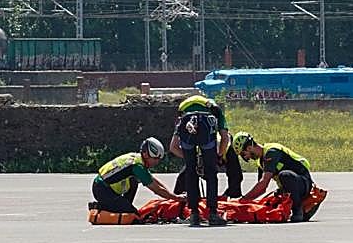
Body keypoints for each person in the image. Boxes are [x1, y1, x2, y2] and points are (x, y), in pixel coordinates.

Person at [169, 94, 231, 227]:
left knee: (190, 173)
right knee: (211, 173)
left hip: (187, 125)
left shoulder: (182, 112)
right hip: (206, 127)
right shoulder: (216, 110)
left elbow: (173, 147)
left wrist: (191, 159)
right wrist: (219, 155)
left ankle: (194, 214)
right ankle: (213, 214)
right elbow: (225, 138)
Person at [233, 132, 315, 223]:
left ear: (249, 148)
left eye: (244, 155)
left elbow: (264, 183)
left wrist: (243, 200)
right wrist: (246, 203)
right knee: (272, 203)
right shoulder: (261, 162)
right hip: (289, 188)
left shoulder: (272, 152)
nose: (246, 158)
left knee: (285, 175)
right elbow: (261, 188)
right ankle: (301, 209)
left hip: (303, 182)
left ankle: (298, 211)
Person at [92, 137, 183, 215]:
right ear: (146, 154)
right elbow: (157, 189)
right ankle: (101, 206)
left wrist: (173, 195)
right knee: (134, 215)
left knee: (133, 181)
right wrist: (176, 198)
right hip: (102, 189)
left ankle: (124, 205)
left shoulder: (138, 160)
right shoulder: (137, 167)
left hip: (103, 186)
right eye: (155, 159)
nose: (157, 162)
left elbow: (153, 180)